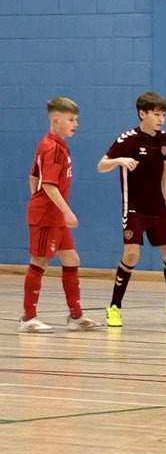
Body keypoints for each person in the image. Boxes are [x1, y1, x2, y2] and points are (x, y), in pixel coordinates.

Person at [98, 91, 166, 327]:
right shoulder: (128, 139)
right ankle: (114, 307)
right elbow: (101, 165)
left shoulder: (165, 139)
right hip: (134, 208)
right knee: (132, 254)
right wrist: (119, 161)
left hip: (158, 207)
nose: (161, 120)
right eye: (156, 115)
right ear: (142, 114)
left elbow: (165, 167)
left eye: (163, 115)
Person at [20, 96, 102, 333]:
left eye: (76, 119)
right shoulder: (52, 148)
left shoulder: (55, 144)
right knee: (40, 261)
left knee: (71, 260)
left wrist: (41, 201)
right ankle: (28, 318)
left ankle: (76, 315)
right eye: (71, 119)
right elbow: (47, 184)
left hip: (54, 215)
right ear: (56, 120)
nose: (75, 124)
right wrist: (64, 211)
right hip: (47, 217)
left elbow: (33, 176)